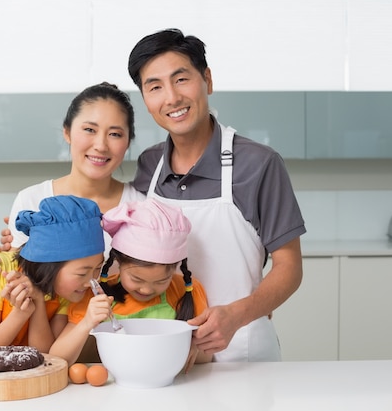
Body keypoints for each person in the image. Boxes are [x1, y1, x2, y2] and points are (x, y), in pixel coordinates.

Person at [127, 28, 306, 361]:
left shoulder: (259, 164)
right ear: (146, 100)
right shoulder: (149, 165)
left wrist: (237, 314)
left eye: (181, 79)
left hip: (242, 352)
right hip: (165, 355)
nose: (172, 98)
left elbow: (290, 267)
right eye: (155, 87)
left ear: (207, 80)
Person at [0, 82, 145, 281]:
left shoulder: (141, 207)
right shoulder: (32, 200)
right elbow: (18, 279)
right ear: (67, 132)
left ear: (128, 142)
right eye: (89, 130)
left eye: (115, 134)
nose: (101, 145)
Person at [49, 198, 213, 369]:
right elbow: (56, 360)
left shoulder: (186, 290)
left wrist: (191, 344)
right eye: (137, 279)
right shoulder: (96, 296)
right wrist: (86, 323)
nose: (147, 289)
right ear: (119, 263)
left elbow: (206, 357)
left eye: (161, 281)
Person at [0, 195, 105, 353]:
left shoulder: (69, 292)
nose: (91, 281)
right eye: (82, 273)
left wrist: (38, 302)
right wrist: (20, 313)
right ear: (50, 266)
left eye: (98, 269)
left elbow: (45, 356)